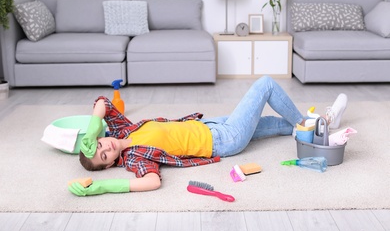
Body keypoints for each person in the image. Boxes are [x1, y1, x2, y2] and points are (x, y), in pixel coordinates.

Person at [68, 76, 347, 196]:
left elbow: (104, 102)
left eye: (100, 144)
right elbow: (151, 182)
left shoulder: (121, 130)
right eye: (104, 155)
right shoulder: (135, 157)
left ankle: (320, 125)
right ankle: (305, 120)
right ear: (109, 164)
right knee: (265, 85)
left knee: (276, 125)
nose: (107, 146)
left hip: (213, 125)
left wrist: (93, 128)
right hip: (224, 139)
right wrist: (104, 188)